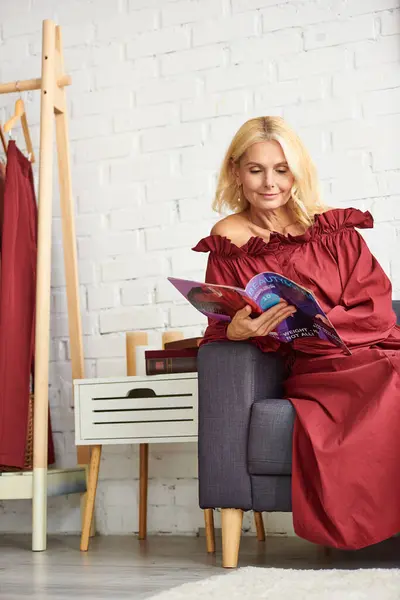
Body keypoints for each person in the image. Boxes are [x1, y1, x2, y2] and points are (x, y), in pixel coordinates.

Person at [192, 116, 400, 550]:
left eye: (281, 169)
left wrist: (323, 320)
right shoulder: (228, 239)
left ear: (296, 171)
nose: (270, 182)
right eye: (256, 169)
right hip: (314, 366)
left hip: (369, 345)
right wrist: (239, 329)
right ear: (236, 171)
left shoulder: (332, 227)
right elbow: (218, 325)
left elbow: (375, 305)